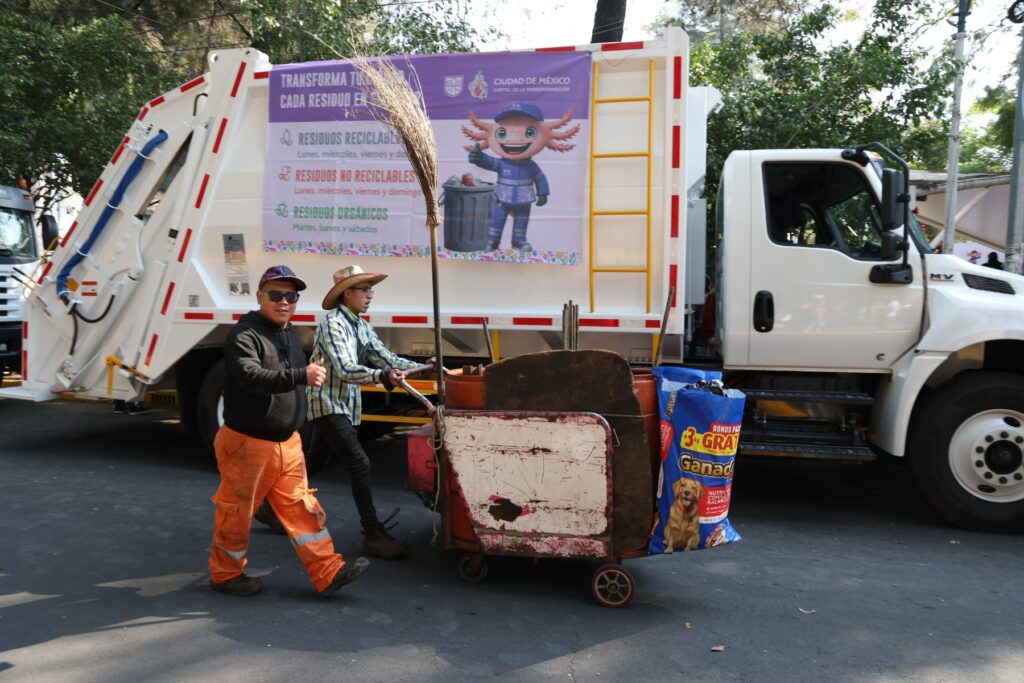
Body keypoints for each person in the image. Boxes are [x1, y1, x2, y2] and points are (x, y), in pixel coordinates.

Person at [208, 264, 369, 597]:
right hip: (247, 445)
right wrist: (301, 376)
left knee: (303, 510)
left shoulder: (288, 333)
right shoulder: (244, 335)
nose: (284, 302)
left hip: (287, 445)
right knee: (236, 514)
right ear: (260, 297)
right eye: (277, 294)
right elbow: (249, 377)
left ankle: (328, 573)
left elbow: (299, 377)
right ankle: (226, 575)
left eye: (291, 296)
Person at [307, 264, 423, 558]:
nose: (371, 294)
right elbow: (346, 369)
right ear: (348, 293)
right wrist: (382, 377)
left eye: (371, 289)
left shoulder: (361, 326)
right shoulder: (332, 323)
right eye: (365, 289)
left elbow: (386, 359)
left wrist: (427, 367)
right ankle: (372, 534)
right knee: (360, 464)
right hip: (326, 402)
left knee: (313, 464)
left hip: (344, 405)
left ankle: (270, 507)